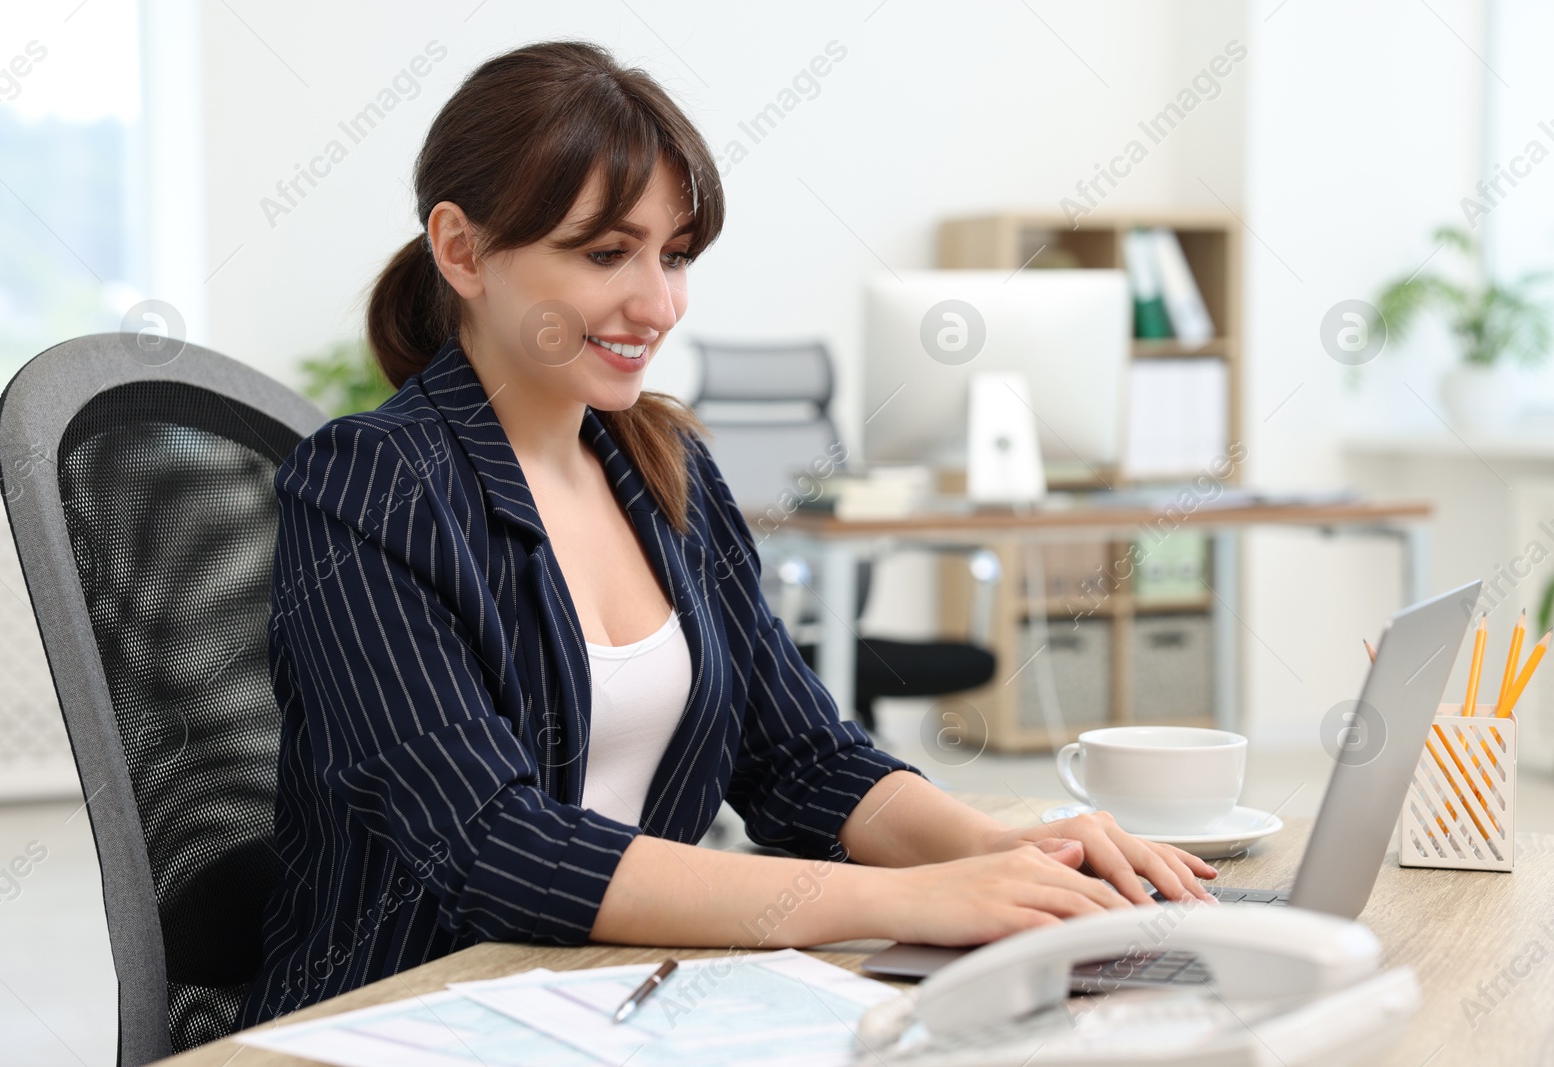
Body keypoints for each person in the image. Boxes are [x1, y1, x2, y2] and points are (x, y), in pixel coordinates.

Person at [237, 38, 1216, 1028]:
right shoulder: (369, 483)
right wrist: (911, 898)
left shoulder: (662, 466)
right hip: (407, 1015)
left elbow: (801, 758)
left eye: (674, 256)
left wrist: (1011, 853)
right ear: (460, 250)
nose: (658, 304)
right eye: (605, 251)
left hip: (615, 1002)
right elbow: (496, 847)